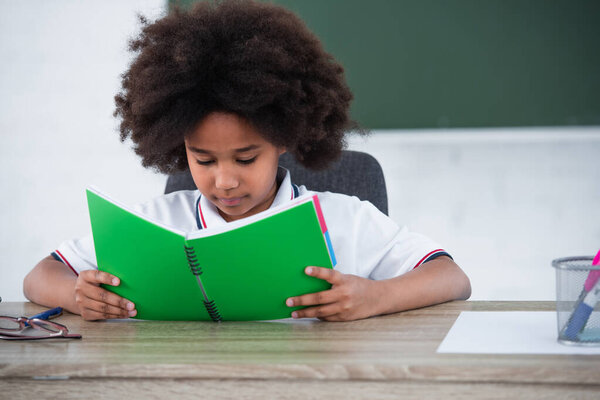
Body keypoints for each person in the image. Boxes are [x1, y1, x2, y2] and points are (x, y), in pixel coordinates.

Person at [23, 0, 470, 322]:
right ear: (180, 148)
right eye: (202, 159)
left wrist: (375, 297)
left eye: (245, 157)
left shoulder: (345, 219)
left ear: (284, 140)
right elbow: (39, 276)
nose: (224, 180)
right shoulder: (153, 224)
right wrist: (76, 294)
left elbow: (451, 277)